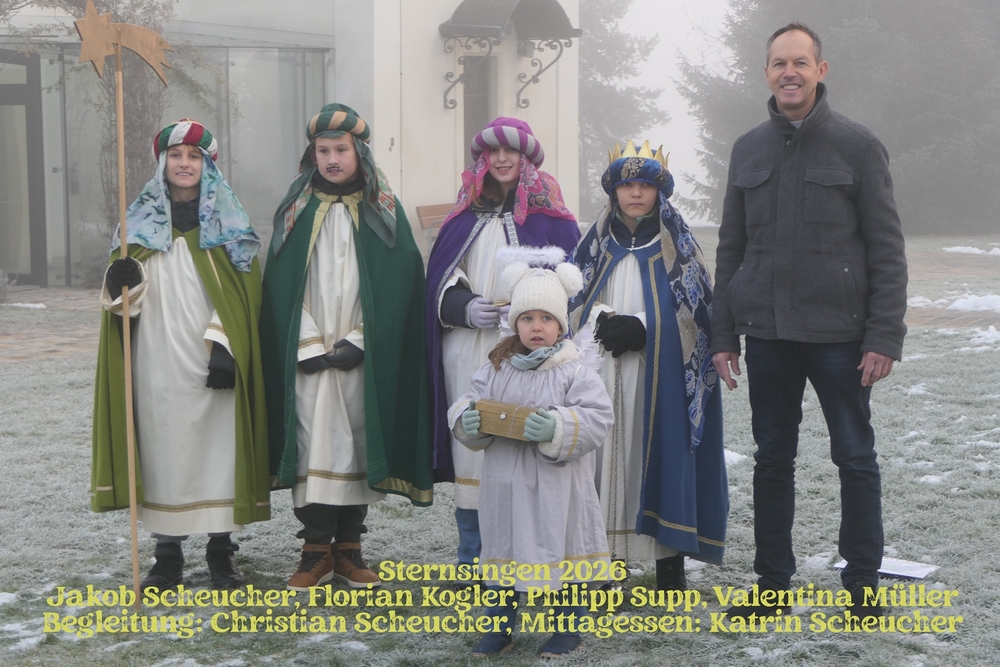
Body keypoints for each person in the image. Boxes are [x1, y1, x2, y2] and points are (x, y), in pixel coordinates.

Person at [711, 23, 907, 619]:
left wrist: (883, 335)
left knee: (855, 458)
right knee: (772, 461)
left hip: (840, 337)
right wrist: (724, 334)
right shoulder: (748, 149)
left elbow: (886, 247)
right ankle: (772, 587)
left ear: (821, 70)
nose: (789, 72)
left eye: (800, 62)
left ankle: (863, 586)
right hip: (769, 336)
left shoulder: (857, 145)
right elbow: (731, 248)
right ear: (767, 73)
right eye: (779, 63)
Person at [260, 103, 434, 592]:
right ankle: (315, 550)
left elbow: (400, 285)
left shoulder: (384, 211)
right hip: (310, 352)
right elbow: (281, 285)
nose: (332, 159)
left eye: (341, 149)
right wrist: (306, 342)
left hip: (361, 353)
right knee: (312, 443)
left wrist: (362, 340)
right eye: (323, 150)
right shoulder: (296, 211)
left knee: (357, 442)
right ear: (312, 154)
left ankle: (351, 548)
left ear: (359, 152)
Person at [92, 119, 270, 591]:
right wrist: (121, 280)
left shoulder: (230, 227)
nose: (184, 164)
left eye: (194, 156)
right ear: (162, 163)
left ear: (208, 165)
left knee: (218, 451)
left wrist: (226, 347)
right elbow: (121, 306)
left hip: (214, 357)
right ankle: (166, 555)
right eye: (176, 155)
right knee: (163, 450)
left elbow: (245, 297)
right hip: (157, 358)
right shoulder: (136, 226)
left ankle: (220, 553)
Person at [571, 140, 728, 590]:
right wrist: (603, 320)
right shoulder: (595, 245)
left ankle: (668, 559)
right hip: (601, 369)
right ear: (613, 191)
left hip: (661, 377)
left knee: (659, 456)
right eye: (626, 185)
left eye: (645, 185)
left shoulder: (678, 246)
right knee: (604, 459)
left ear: (660, 191)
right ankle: (607, 559)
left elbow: (698, 315)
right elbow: (572, 302)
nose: (635, 193)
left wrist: (644, 327)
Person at [425, 117, 580, 572]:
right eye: (493, 152)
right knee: (472, 445)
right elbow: (441, 277)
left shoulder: (551, 220)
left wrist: (531, 312)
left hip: (529, 357)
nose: (502, 159)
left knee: (523, 447)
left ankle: (528, 553)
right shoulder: (463, 217)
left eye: (511, 151)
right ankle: (472, 556)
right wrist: (463, 306)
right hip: (468, 349)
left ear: (527, 159)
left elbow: (573, 283)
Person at [450, 256, 613, 657]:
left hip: (559, 487)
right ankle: (498, 627)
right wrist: (468, 419)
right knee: (503, 551)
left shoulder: (575, 371)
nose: (536, 326)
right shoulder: (496, 368)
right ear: (514, 322)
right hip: (505, 486)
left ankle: (568, 628)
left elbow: (598, 417)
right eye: (527, 318)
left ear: (560, 325)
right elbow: (471, 400)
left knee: (564, 550)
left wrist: (559, 427)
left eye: (546, 318)